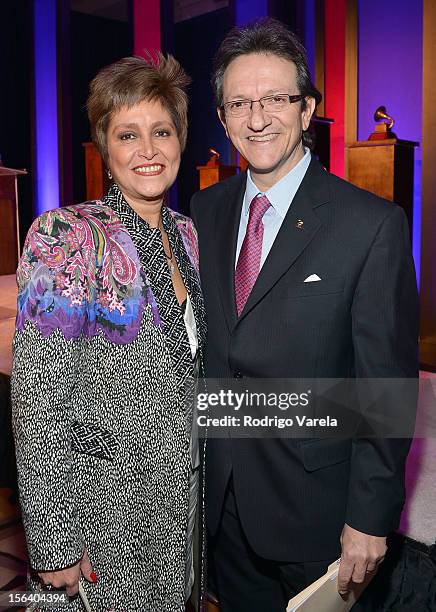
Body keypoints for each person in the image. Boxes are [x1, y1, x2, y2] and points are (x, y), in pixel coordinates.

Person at [190, 18, 419, 612]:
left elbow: (385, 388)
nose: (257, 117)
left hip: (316, 512)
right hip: (223, 503)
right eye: (240, 102)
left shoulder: (370, 227)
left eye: (276, 98)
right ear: (223, 116)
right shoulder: (204, 210)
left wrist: (370, 518)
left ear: (307, 107)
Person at [12, 53, 206, 611]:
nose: (148, 150)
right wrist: (54, 542)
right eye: (128, 134)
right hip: (104, 526)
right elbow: (39, 402)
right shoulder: (68, 237)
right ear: (106, 148)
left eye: (161, 131)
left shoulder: (190, 237)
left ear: (180, 140)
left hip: (182, 512)